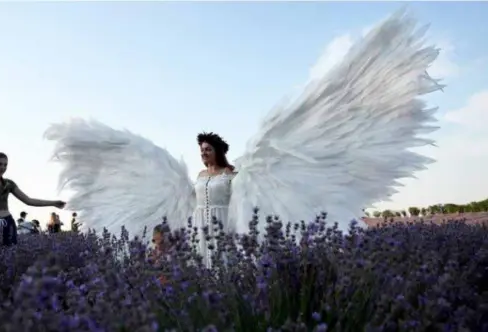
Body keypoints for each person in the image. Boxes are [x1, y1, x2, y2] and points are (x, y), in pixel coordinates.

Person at [44, 12, 444, 266]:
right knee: (200, 272)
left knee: (228, 271)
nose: (202, 155)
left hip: (226, 227)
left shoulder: (237, 176)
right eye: (199, 151)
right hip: (199, 228)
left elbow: (245, 204)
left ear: (218, 150)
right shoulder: (195, 180)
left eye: (207, 149)